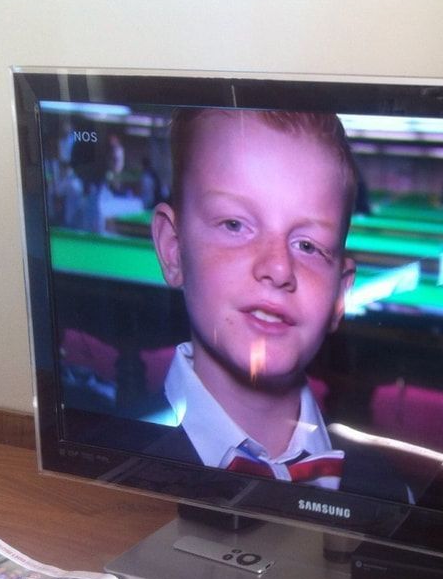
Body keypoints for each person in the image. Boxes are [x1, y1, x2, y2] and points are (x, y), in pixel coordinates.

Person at [145, 107, 408, 499]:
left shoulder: (390, 495)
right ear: (173, 250)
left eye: (307, 245)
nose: (278, 268)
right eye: (235, 224)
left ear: (340, 294)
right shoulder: (104, 469)